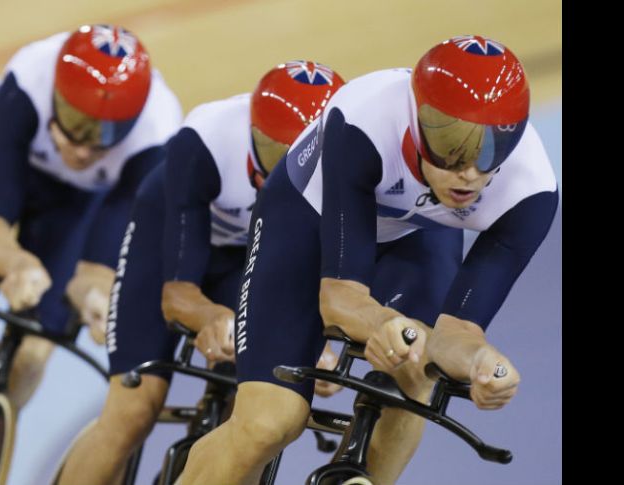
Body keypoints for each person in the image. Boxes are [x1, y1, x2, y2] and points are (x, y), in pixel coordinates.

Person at [177, 35, 559, 485]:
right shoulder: (364, 118)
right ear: (416, 121)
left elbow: (457, 332)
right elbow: (339, 298)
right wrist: (381, 323)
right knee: (269, 424)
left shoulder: (531, 192)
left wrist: (481, 361)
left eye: (494, 148)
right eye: (448, 143)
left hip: (414, 234)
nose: (469, 171)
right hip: (305, 220)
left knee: (417, 373)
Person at [56, 60, 346, 485]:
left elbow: (319, 281)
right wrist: (210, 317)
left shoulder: (348, 169)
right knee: (133, 410)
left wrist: (314, 343)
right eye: (274, 153)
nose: (288, 170)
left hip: (250, 259)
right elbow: (178, 292)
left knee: (252, 422)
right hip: (167, 246)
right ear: (251, 132)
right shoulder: (207, 138)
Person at [0, 24, 182, 417]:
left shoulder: (157, 136)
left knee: (34, 353)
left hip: (81, 201)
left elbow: (95, 269)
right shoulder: (30, 79)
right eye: (74, 125)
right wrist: (16, 264)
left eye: (105, 135)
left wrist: (93, 298)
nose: (81, 149)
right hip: (9, 165)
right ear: (56, 95)